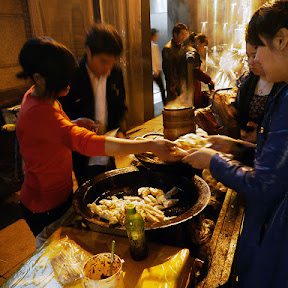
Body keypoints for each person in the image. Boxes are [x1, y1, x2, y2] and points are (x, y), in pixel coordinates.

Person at [16, 37, 183, 246]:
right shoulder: (39, 112)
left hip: (58, 192)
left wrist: (73, 123)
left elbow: (52, 131)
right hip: (44, 204)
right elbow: (89, 144)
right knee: (53, 255)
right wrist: (150, 145)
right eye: (63, 80)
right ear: (39, 78)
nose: (69, 84)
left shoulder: (38, 95)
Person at [183, 1, 288, 287]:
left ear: (281, 39)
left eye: (258, 51)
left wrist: (212, 160)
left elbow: (266, 185)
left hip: (277, 233)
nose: (256, 61)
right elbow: (278, 164)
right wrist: (234, 147)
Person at [59, 23, 127, 186]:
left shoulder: (115, 73)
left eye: (112, 62)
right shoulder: (72, 76)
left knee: (112, 188)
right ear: (89, 51)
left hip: (109, 146)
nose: (108, 68)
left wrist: (121, 130)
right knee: (88, 190)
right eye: (103, 61)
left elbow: (120, 105)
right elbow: (62, 116)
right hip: (82, 154)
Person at [233, 35, 284, 143]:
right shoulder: (247, 81)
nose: (251, 61)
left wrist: (260, 134)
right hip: (246, 147)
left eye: (255, 55)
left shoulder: (283, 86)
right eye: (248, 56)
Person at [184, 33, 215, 108]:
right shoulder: (194, 53)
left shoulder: (187, 48)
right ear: (197, 41)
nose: (202, 48)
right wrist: (209, 80)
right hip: (192, 85)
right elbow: (196, 72)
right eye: (203, 46)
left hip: (186, 84)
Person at [162, 23, 189, 103]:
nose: (184, 37)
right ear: (175, 34)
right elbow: (168, 70)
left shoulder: (181, 45)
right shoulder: (168, 49)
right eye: (182, 34)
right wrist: (172, 86)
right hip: (174, 86)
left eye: (185, 34)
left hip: (182, 83)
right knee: (174, 107)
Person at [151, 28, 166, 106]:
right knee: (162, 88)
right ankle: (165, 104)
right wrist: (155, 70)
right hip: (155, 71)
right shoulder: (153, 46)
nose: (157, 37)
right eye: (156, 35)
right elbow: (153, 59)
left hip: (155, 70)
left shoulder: (153, 46)